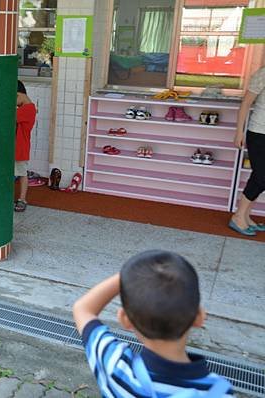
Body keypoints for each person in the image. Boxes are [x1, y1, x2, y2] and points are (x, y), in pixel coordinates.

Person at [72, 250, 233, 397]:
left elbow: (83, 309)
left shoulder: (116, 367)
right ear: (199, 316)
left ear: (124, 319)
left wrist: (130, 276)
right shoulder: (219, 391)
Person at [230, 66, 265, 236]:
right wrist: (239, 132)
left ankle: (245, 216)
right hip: (259, 133)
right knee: (261, 177)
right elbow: (246, 103)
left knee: (259, 177)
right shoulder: (263, 73)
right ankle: (238, 217)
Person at [14, 80, 37, 212]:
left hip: (20, 148)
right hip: (17, 148)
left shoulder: (28, 109)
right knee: (19, 173)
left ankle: (22, 199)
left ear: (19, 95)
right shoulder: (27, 108)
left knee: (22, 174)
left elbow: (10, 116)